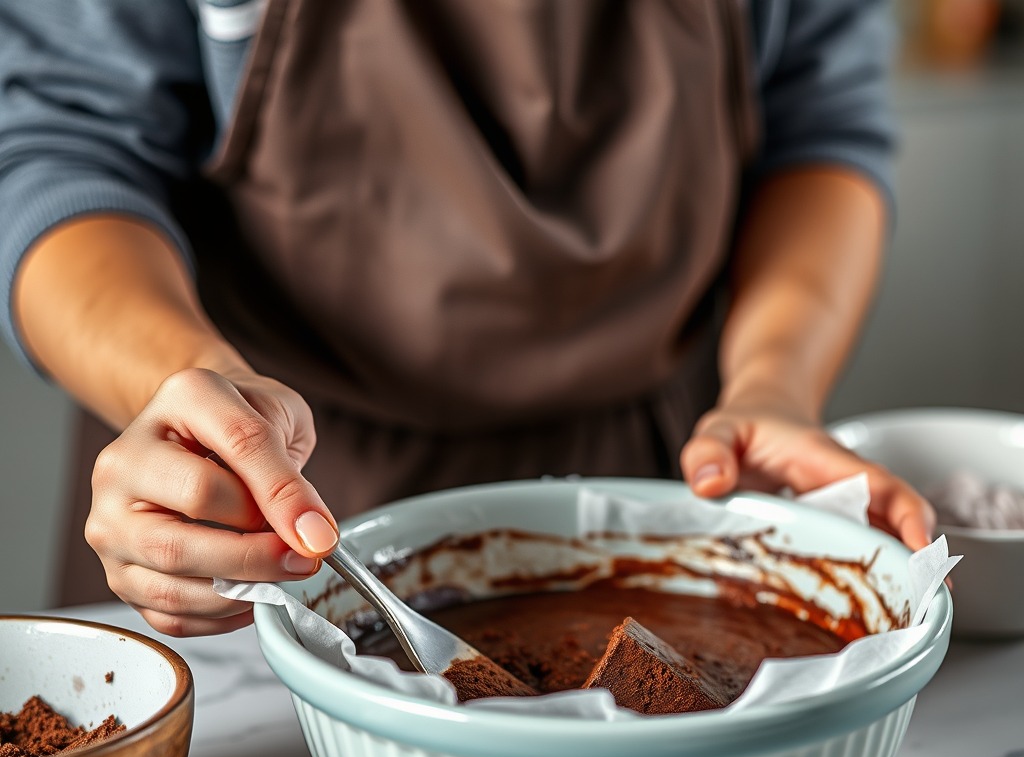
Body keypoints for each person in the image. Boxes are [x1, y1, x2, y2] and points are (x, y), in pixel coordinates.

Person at [0, 0, 935, 638]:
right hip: (273, 492)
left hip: (667, 476)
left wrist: (774, 382)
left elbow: (819, 131)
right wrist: (196, 391)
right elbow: (65, 147)